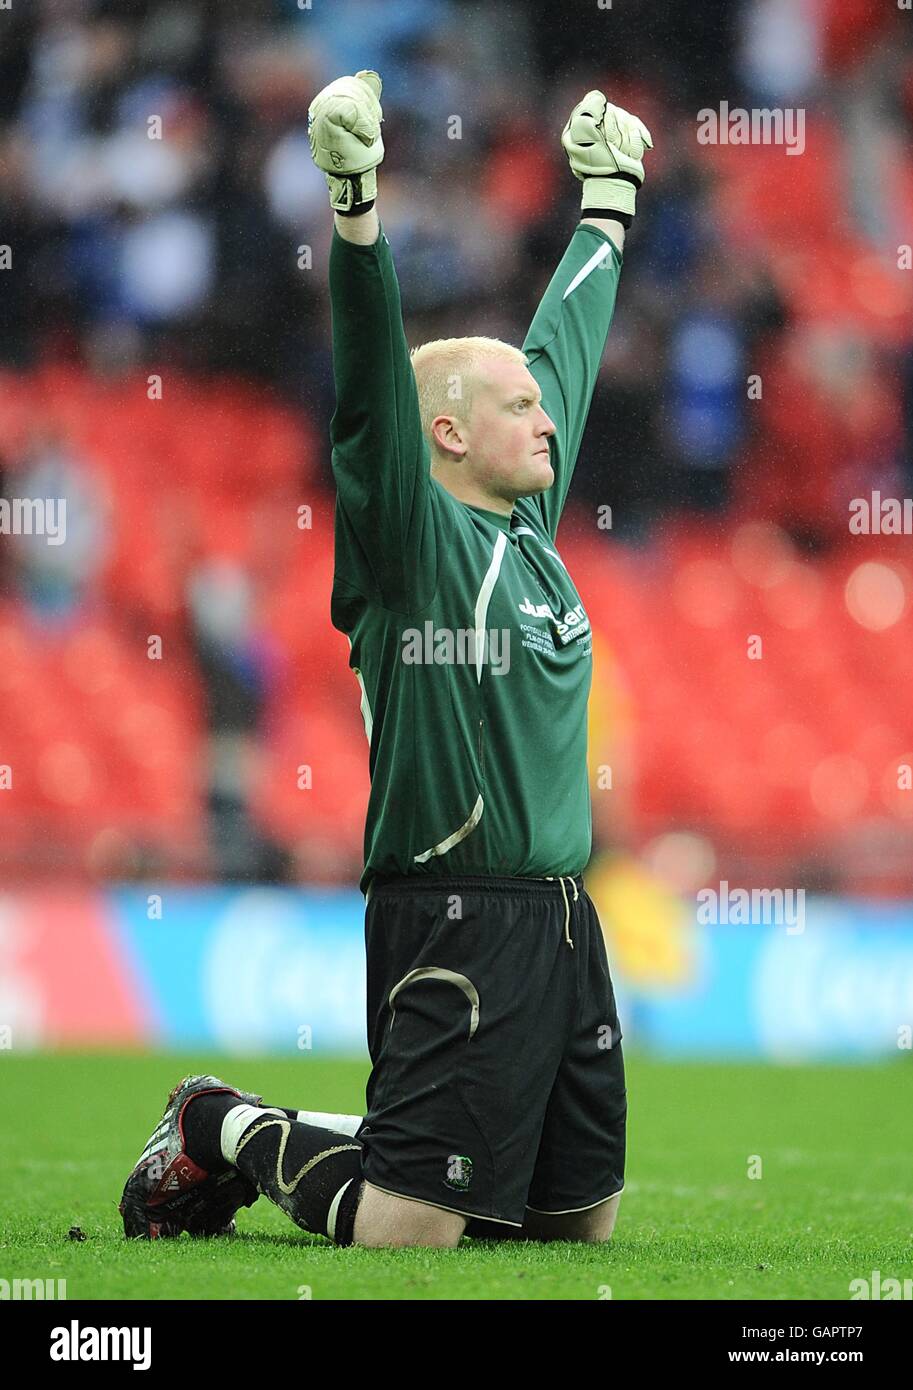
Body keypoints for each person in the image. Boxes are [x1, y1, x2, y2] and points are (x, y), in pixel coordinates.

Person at [120, 70, 652, 1249]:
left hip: (564, 916)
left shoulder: (521, 528)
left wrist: (607, 203)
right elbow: (368, 396)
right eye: (516, 407)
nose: (548, 420)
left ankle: (328, 1139)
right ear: (448, 434)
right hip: (453, 908)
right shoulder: (411, 544)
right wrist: (356, 211)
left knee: (573, 1225)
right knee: (413, 1226)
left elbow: (559, 353)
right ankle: (220, 1123)